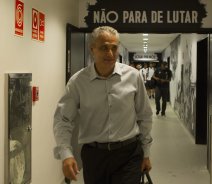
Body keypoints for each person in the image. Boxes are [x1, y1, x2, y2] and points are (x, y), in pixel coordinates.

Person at [53, 26, 153, 184]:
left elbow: (144, 115)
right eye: (104, 48)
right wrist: (66, 153)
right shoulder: (78, 82)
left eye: (114, 48)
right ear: (92, 49)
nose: (110, 54)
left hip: (128, 154)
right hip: (94, 156)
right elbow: (63, 119)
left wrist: (145, 153)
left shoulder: (133, 76)